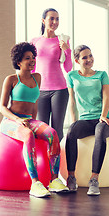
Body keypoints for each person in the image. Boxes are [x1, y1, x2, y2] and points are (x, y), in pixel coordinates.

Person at [0, 42, 69, 198]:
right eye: (27, 58)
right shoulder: (11, 79)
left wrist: (37, 124)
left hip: (29, 120)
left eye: (33, 57)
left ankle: (54, 180)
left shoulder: (37, 77)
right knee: (28, 135)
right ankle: (35, 183)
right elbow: (2, 107)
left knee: (52, 133)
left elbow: (35, 104)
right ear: (18, 62)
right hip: (10, 121)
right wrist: (17, 120)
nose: (32, 61)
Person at [65, 45, 109, 195]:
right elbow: (72, 101)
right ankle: (71, 177)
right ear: (77, 60)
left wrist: (103, 115)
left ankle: (94, 179)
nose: (89, 59)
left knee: (100, 131)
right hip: (85, 120)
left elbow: (107, 96)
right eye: (84, 57)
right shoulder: (72, 76)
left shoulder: (101, 75)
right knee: (71, 132)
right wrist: (74, 121)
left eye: (90, 56)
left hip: (105, 118)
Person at [31, 8, 72, 142]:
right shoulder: (35, 41)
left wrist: (67, 51)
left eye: (57, 19)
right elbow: (32, 68)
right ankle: (44, 160)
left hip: (59, 90)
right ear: (43, 21)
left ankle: (59, 161)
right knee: (42, 129)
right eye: (51, 19)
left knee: (57, 129)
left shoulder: (62, 41)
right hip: (40, 90)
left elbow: (68, 68)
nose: (55, 22)